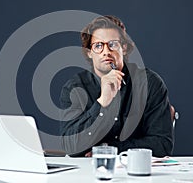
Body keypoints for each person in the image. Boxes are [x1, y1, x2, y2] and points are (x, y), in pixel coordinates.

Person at [59, 15, 174, 157]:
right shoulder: (74, 88)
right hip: (88, 172)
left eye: (112, 44)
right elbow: (71, 146)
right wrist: (102, 103)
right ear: (90, 53)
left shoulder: (149, 83)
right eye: (98, 46)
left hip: (137, 170)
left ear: (124, 48)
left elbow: (162, 144)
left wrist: (109, 149)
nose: (106, 52)